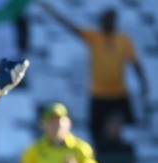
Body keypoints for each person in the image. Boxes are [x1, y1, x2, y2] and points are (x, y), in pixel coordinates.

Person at [40, 3, 148, 151]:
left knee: (122, 131)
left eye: (111, 20)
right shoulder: (95, 38)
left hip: (118, 94)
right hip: (99, 94)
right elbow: (71, 27)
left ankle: (121, 162)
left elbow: (135, 63)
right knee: (97, 133)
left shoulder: (123, 41)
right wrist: (51, 11)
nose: (108, 23)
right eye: (106, 20)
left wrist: (143, 83)